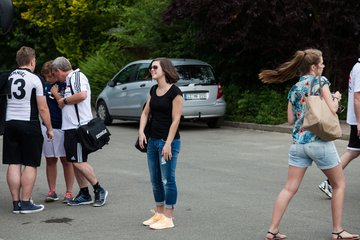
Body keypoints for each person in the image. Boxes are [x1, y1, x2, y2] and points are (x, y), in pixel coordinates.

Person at [259, 49, 359, 240]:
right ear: (313, 67)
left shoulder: (294, 88)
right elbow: (333, 109)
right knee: (339, 184)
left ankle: (272, 230)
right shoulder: (320, 82)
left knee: (289, 188)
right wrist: (337, 98)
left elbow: (290, 120)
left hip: (298, 143)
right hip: (319, 142)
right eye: (321, 63)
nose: (323, 65)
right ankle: (337, 230)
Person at [51, 56, 108, 207]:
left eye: (55, 74)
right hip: (70, 127)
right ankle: (84, 193)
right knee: (75, 161)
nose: (55, 77)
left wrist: (63, 101)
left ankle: (99, 189)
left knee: (78, 162)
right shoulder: (69, 80)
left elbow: (82, 95)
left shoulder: (76, 76)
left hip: (78, 127)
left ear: (59, 70)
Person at [3, 46, 54, 214]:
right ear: (32, 61)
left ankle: (16, 203)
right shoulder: (35, 79)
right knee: (30, 164)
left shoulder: (8, 76)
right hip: (29, 124)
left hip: (10, 123)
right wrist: (49, 127)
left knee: (13, 163)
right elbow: (43, 108)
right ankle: (26, 202)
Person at [138, 58, 183, 230]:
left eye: (155, 67)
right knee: (155, 179)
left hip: (168, 142)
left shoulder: (175, 92)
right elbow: (145, 113)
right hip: (153, 141)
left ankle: (169, 217)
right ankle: (159, 213)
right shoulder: (153, 89)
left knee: (168, 179)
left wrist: (168, 143)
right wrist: (141, 131)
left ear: (165, 69)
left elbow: (176, 119)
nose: (152, 70)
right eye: (151, 67)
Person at [318, 49, 360, 199]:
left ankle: (329, 182)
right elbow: (357, 98)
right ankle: (329, 182)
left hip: (356, 119)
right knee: (352, 152)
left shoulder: (357, 67)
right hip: (359, 119)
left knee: (353, 151)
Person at [40, 61, 75, 203]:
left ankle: (69, 192)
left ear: (56, 73)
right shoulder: (44, 86)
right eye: (46, 77)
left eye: (50, 76)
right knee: (50, 160)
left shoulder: (64, 85)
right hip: (47, 126)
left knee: (66, 161)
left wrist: (56, 94)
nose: (48, 80)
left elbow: (65, 104)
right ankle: (52, 190)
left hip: (63, 126)